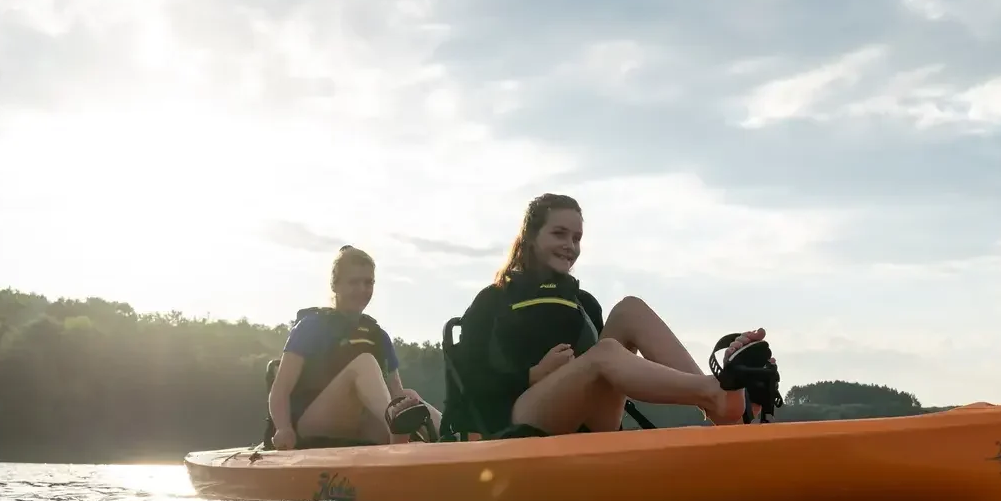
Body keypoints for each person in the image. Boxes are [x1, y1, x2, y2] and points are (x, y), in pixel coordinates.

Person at [450, 193, 773, 437]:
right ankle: (717, 392)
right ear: (532, 238)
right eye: (559, 234)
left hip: (589, 423)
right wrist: (532, 376)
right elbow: (471, 381)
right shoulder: (492, 301)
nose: (570, 246)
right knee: (603, 354)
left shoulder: (584, 303)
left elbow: (616, 372)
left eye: (576, 238)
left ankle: (720, 404)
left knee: (630, 309)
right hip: (516, 426)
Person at [267, 245, 439, 451]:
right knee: (365, 363)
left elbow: (396, 392)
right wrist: (283, 428)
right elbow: (280, 390)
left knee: (408, 396)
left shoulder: (378, 335)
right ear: (335, 285)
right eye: (353, 282)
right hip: (313, 425)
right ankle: (399, 433)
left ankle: (454, 438)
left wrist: (410, 402)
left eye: (368, 283)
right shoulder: (311, 326)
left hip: (361, 425)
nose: (362, 290)